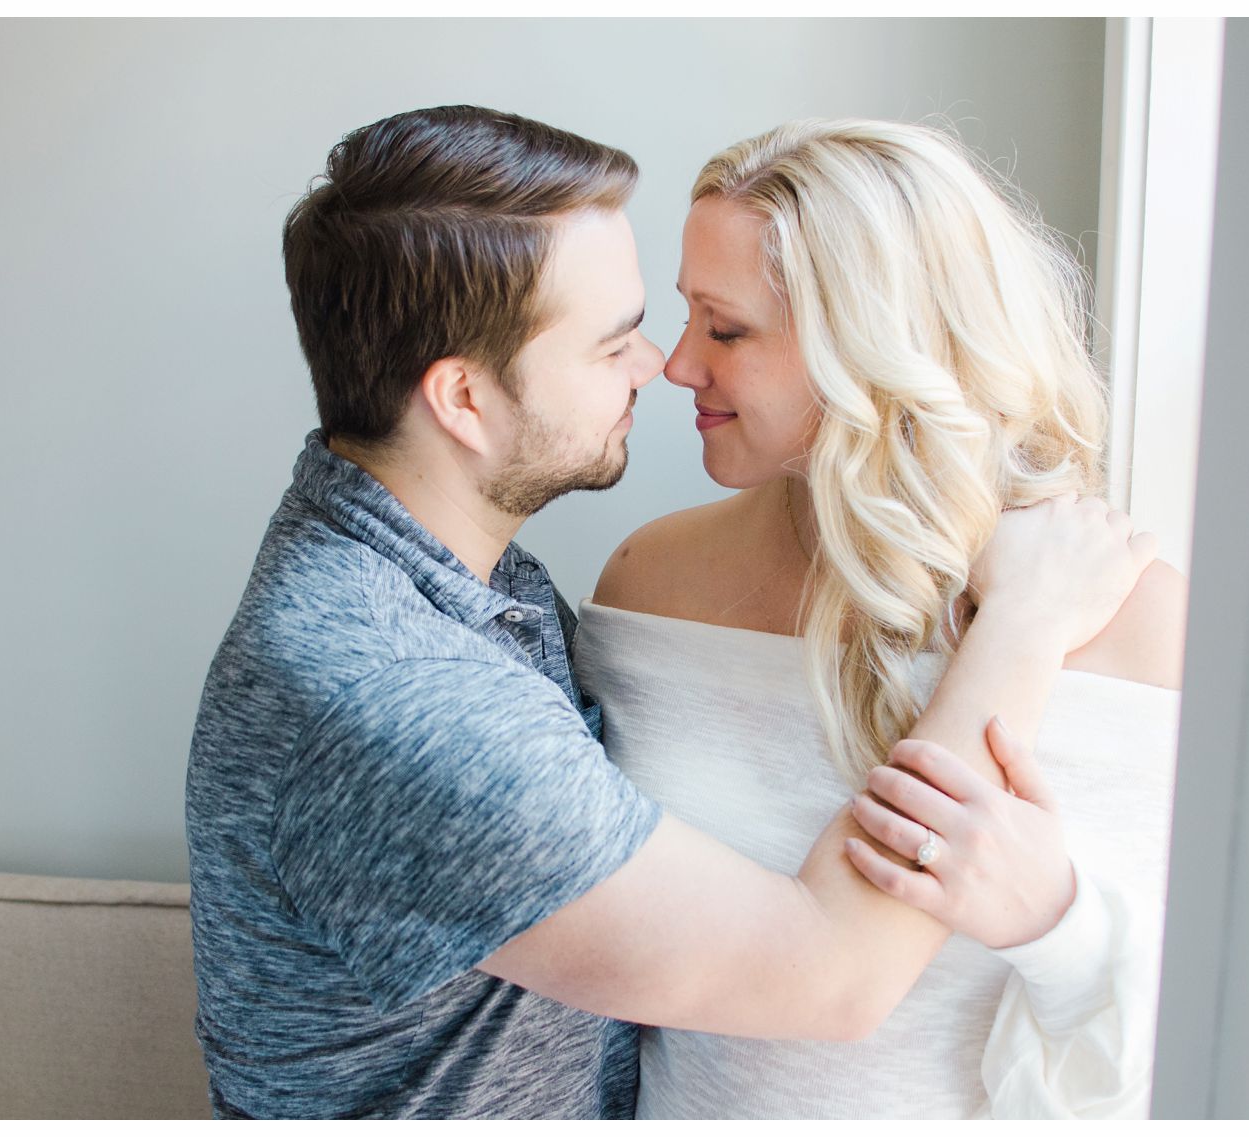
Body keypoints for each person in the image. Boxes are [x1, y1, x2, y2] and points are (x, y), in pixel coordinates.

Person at [185, 105, 1154, 1120]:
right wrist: (1021, 628)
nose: (661, 364)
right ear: (462, 401)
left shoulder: (463, 584)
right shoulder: (396, 693)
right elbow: (829, 973)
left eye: (710, 325)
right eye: (612, 345)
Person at [576, 118, 1188, 1119]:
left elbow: (1211, 1041)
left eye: (724, 330)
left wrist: (1056, 923)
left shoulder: (1142, 631)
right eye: (686, 317)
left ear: (875, 345)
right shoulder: (653, 581)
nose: (677, 365)